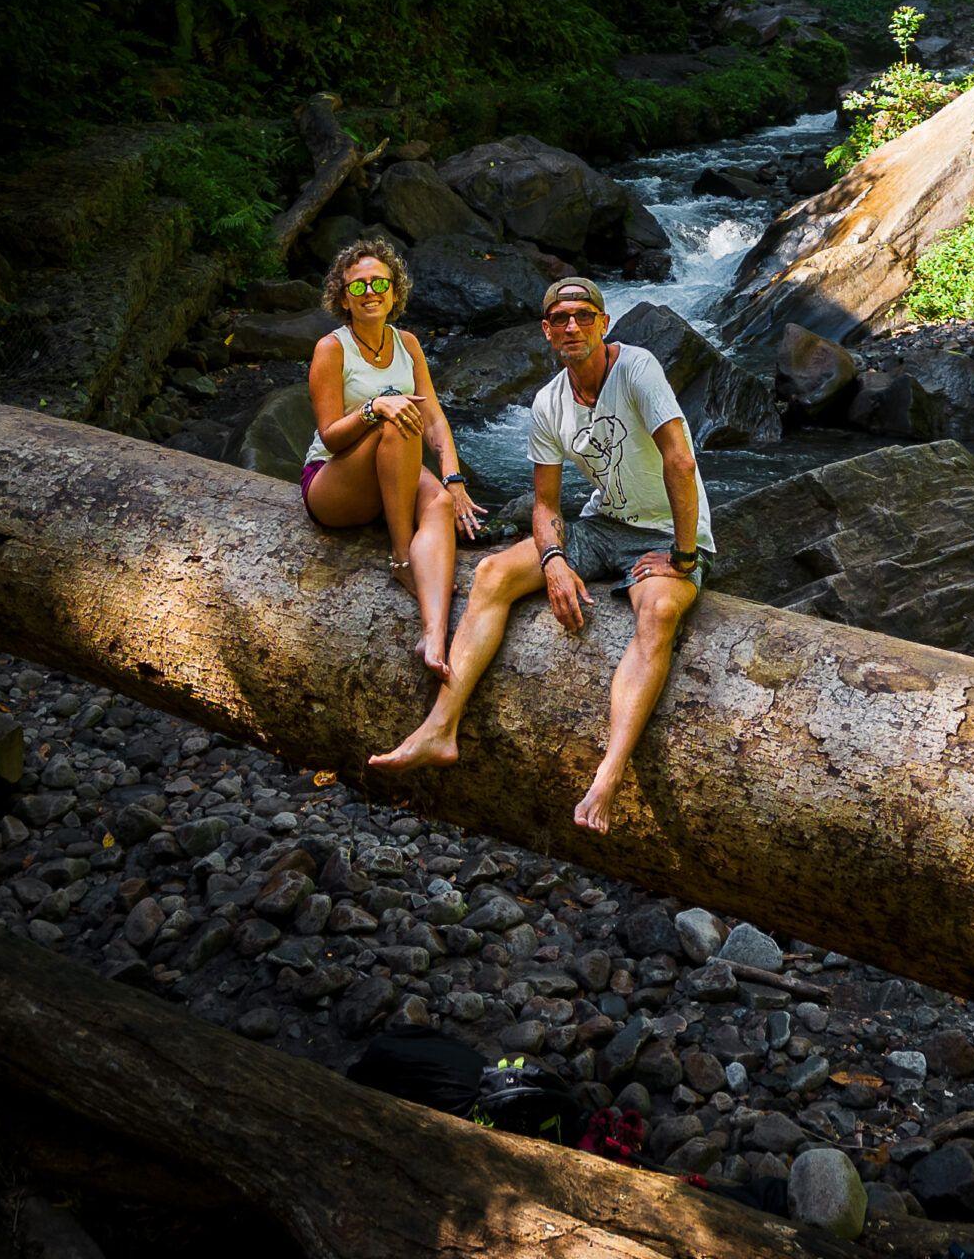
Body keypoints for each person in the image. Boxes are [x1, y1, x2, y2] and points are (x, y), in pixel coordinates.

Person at [369, 274, 713, 832]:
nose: (572, 326)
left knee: (661, 611)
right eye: (560, 319)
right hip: (602, 524)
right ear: (547, 331)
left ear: (603, 323)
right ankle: (441, 728)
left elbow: (680, 461)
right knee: (493, 572)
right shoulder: (549, 402)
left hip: (667, 532)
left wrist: (684, 554)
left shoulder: (638, 367)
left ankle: (608, 774)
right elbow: (546, 503)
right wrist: (553, 559)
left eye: (583, 316)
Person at [301, 235, 484, 680]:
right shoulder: (332, 348)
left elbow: (436, 420)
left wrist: (454, 479)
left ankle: (434, 634)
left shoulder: (407, 343)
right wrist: (373, 408)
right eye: (358, 286)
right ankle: (402, 556)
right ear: (343, 298)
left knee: (439, 502)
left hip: (391, 471)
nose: (370, 293)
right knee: (397, 418)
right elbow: (330, 435)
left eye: (379, 283)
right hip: (333, 481)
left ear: (395, 291)